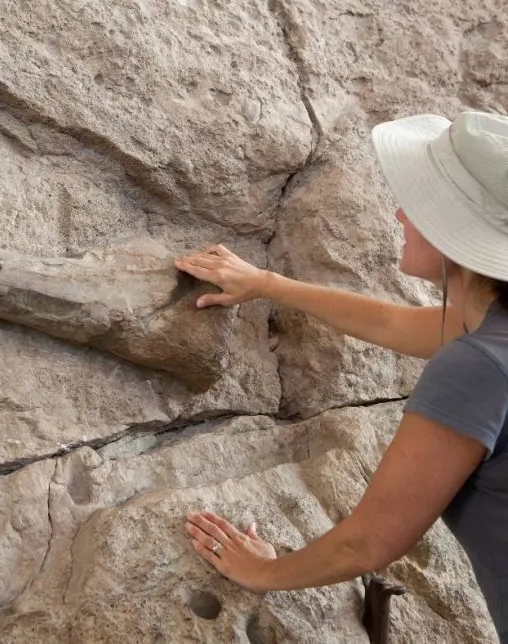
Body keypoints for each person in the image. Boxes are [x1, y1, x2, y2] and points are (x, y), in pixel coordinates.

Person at [175, 111, 508, 641]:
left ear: (455, 237)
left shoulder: (478, 365)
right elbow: (391, 321)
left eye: (419, 206)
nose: (401, 213)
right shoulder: (491, 334)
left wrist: (262, 571)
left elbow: (370, 541)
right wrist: (266, 283)